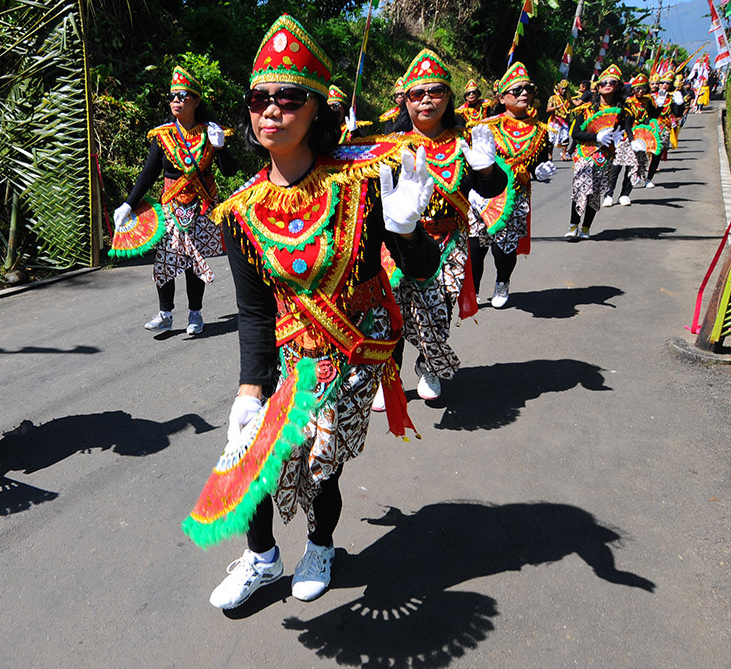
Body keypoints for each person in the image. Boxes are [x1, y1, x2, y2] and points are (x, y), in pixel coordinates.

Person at [188, 14, 441, 611]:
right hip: (292, 347)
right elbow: (253, 313)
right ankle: (261, 557)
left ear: (317, 109)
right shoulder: (241, 211)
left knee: (320, 459)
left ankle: (321, 544)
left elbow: (425, 271)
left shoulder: (363, 180)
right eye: (258, 99)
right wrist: (249, 391)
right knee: (254, 453)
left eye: (288, 97)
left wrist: (405, 230)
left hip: (356, 344)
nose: (271, 111)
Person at [384, 48, 507, 400]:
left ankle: (429, 365)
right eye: (416, 93)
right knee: (392, 311)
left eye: (435, 91)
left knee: (438, 311)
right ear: (405, 101)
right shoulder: (389, 147)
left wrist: (485, 168)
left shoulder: (464, 142)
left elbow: (492, 186)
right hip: (397, 244)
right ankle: (389, 376)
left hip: (448, 242)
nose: (426, 100)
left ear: (449, 97)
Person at [112, 67, 237, 335]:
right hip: (171, 205)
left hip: (201, 206)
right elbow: (149, 173)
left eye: (182, 95)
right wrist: (128, 204)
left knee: (194, 260)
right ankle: (165, 313)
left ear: (196, 101)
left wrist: (221, 147)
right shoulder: (163, 135)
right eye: (172, 96)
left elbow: (230, 171)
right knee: (165, 258)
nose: (176, 101)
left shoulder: (211, 132)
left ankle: (195, 314)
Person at [467, 63, 555, 309]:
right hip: (482, 196)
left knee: (503, 248)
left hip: (515, 196)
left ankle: (502, 283)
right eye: (517, 90)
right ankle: (473, 290)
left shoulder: (540, 130)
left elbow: (538, 163)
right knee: (475, 244)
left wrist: (539, 173)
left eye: (528, 89)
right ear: (502, 97)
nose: (524, 93)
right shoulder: (486, 126)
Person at [565, 65, 630, 240]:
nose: (607, 85)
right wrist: (596, 136)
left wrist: (627, 142)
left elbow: (627, 132)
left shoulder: (622, 112)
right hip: (585, 154)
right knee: (580, 189)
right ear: (598, 86)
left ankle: (586, 228)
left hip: (605, 157)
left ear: (618, 86)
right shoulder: (586, 109)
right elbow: (576, 133)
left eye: (612, 82)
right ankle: (573, 226)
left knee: (594, 193)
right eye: (604, 82)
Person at [606, 73, 655, 207]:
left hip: (641, 139)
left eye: (643, 88)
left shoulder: (648, 102)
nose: (640, 91)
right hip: (626, 138)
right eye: (637, 89)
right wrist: (632, 140)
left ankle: (625, 194)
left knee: (632, 168)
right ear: (633, 90)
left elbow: (651, 117)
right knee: (616, 167)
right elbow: (627, 124)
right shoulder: (628, 103)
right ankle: (609, 194)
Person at [644, 63, 684, 188]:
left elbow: (677, 114)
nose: (663, 85)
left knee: (657, 154)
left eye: (667, 83)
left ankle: (649, 178)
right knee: (642, 152)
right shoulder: (647, 96)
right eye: (661, 83)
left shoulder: (671, 98)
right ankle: (638, 174)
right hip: (648, 127)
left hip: (663, 128)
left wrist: (680, 104)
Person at [546, 80, 572, 161]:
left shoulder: (567, 99)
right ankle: (550, 155)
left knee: (565, 138)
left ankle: (563, 155)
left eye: (565, 89)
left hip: (564, 122)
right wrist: (557, 107)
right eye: (562, 89)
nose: (564, 91)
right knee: (551, 139)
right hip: (555, 121)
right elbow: (548, 109)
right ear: (559, 89)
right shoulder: (553, 98)